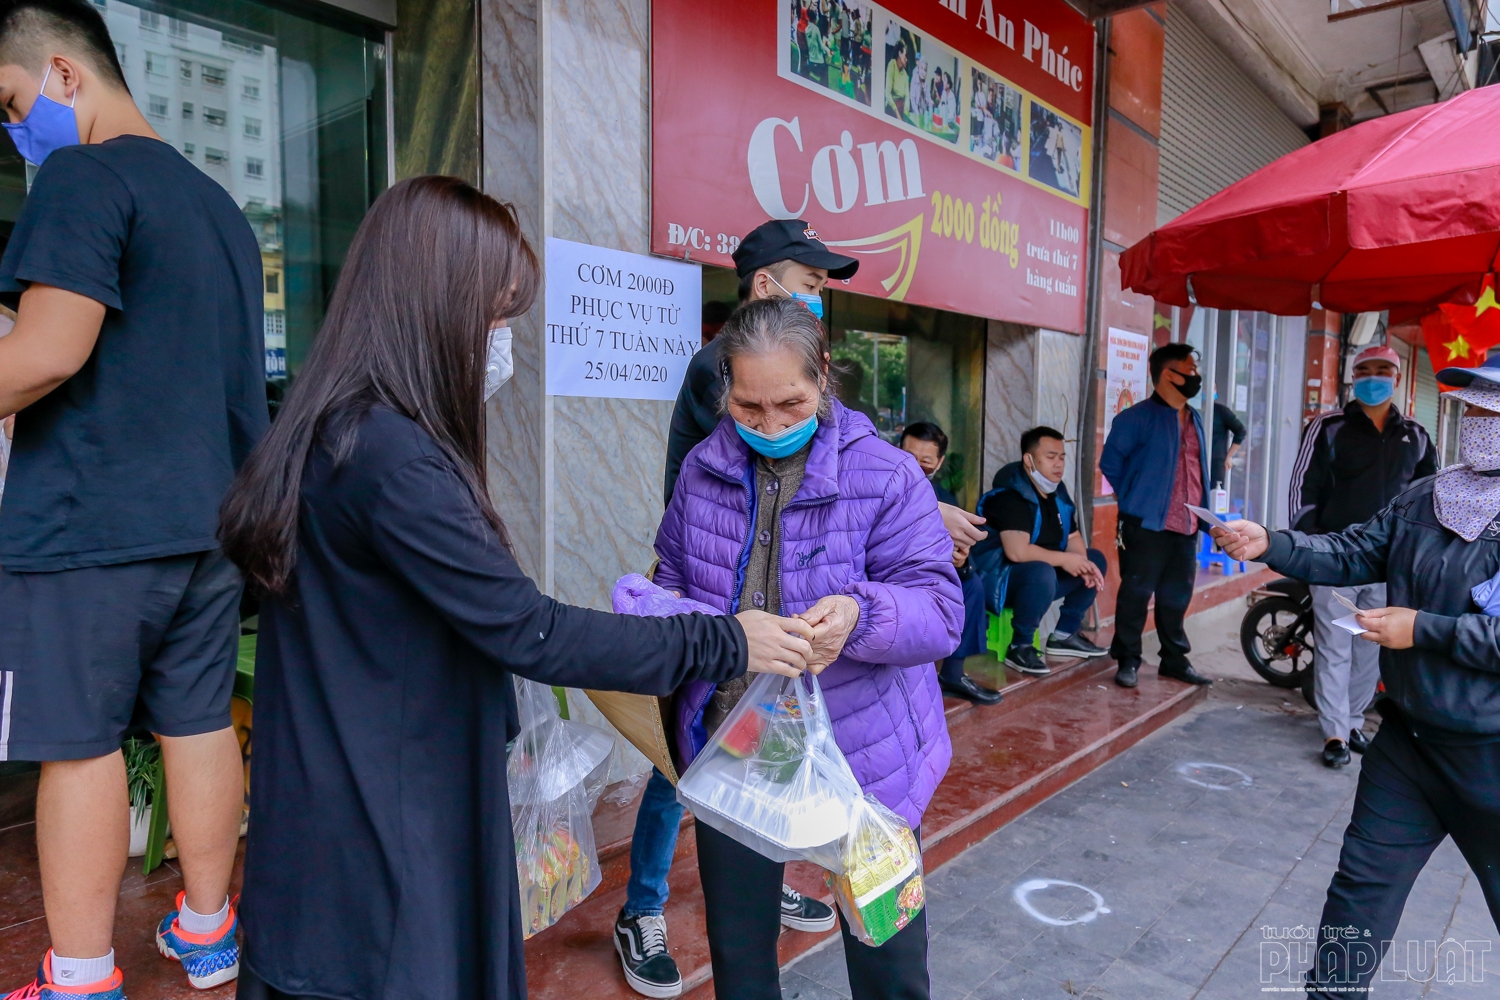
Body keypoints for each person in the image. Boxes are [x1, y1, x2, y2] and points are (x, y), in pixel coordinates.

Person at [215, 176, 815, 1000]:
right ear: (435, 306)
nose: (501, 342)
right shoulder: (392, 459)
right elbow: (530, 630)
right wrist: (725, 637)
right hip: (386, 828)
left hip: (339, 804)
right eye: (495, 317)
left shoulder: (336, 427)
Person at [0, 1, 268, 995]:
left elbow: (47, 353)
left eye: (13, 100)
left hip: (92, 522)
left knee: (76, 744)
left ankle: (78, 976)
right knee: (194, 721)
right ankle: (208, 932)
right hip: (209, 522)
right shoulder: (218, 209)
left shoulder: (80, 174)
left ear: (64, 72)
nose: (15, 126)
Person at [657, 297, 961, 1000]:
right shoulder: (701, 474)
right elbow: (672, 581)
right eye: (749, 408)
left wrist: (859, 614)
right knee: (740, 955)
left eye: (790, 404)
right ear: (724, 388)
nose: (770, 426)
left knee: (887, 959)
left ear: (823, 375)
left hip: (867, 760)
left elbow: (942, 612)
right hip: (739, 745)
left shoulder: (886, 476)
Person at [619, 219, 859, 998]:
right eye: (811, 284)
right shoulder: (717, 367)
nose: (819, 298)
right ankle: (643, 908)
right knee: (694, 754)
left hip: (766, 599)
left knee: (767, 745)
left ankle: (760, 868)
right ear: (765, 289)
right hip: (714, 589)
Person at [1212, 353, 1500, 1000]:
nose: (1481, 420)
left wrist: (1421, 629)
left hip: (1490, 753)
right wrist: (1272, 543)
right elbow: (1353, 549)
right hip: (1408, 744)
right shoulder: (1429, 493)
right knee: (1356, 898)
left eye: (1495, 409)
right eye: (1475, 407)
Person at [1287, 344, 1434, 768]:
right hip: (1336, 559)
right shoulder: (1328, 426)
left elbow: (1430, 500)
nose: (1374, 377)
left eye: (1383, 370)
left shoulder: (1418, 436)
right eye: (1365, 370)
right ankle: (1334, 732)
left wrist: (1418, 555)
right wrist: (1309, 545)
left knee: (1371, 647)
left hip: (1391, 563)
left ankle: (1353, 721)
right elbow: (1302, 488)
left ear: (1398, 378)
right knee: (1336, 645)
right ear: (1352, 377)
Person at [1098, 342, 1214, 689]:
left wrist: (1206, 518)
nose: (1196, 378)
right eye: (1191, 371)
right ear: (1169, 375)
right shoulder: (1135, 418)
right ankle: (1128, 658)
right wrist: (1136, 498)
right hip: (1145, 524)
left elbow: (1198, 470)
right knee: (1136, 593)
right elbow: (1111, 465)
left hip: (1187, 523)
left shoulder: (1194, 419)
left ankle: (1174, 660)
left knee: (1176, 596)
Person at [972, 427, 1108, 677]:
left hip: (1040, 581)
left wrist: (1081, 563)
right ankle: (1020, 645)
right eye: (1050, 456)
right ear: (1029, 459)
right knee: (1041, 571)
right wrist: (1065, 560)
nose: (1058, 464)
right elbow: (1017, 552)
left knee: (1095, 559)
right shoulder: (1010, 496)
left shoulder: (1058, 494)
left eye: (1062, 457)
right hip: (999, 582)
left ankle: (1064, 635)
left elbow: (1073, 536)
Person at [900, 421, 999, 705]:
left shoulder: (945, 498)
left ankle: (953, 674)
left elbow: (959, 550)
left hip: (927, 573)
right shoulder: (882, 485)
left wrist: (961, 560)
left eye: (926, 462)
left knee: (971, 584)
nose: (916, 467)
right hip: (887, 573)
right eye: (909, 457)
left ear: (940, 463)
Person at [1210, 398, 1245, 486]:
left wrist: (1229, 456)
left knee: (1214, 493)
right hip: (1194, 459)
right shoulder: (1192, 410)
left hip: (1216, 461)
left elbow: (1241, 431)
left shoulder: (1220, 411)